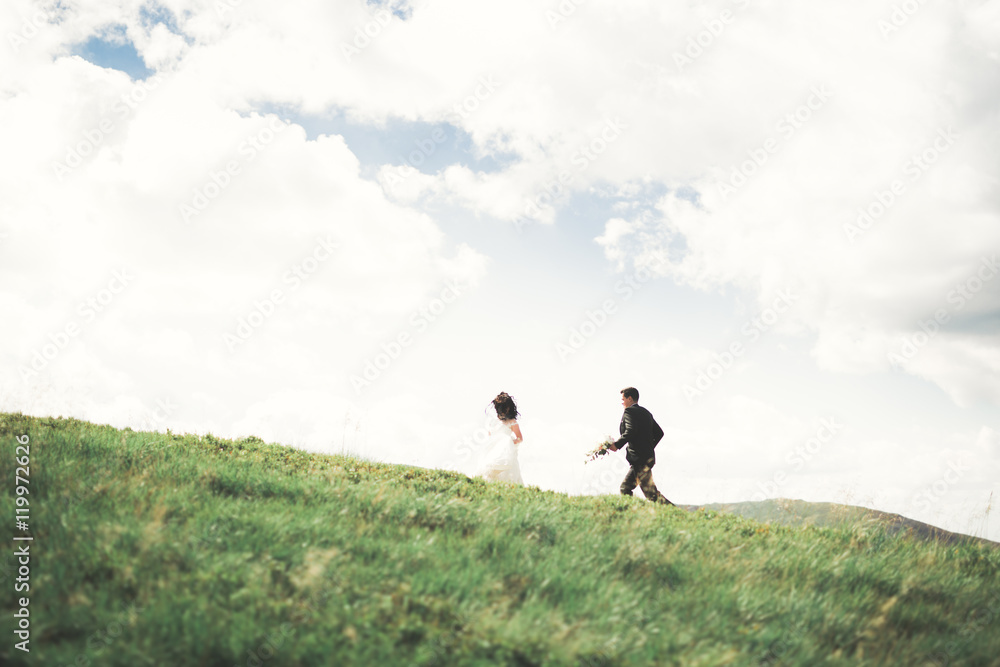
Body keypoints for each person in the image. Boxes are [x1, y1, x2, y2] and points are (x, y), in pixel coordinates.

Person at [608, 387, 673, 505]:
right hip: (647, 458)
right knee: (648, 493)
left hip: (639, 459)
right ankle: (674, 512)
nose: (622, 402)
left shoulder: (629, 412)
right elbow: (659, 433)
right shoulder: (646, 413)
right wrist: (648, 447)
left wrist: (616, 445)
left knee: (627, 489)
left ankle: (631, 512)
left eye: (623, 399)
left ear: (630, 398)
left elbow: (631, 431)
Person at [475, 392, 525, 484]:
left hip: (507, 451)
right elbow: (491, 437)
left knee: (508, 473)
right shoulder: (493, 422)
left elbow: (519, 438)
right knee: (489, 469)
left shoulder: (512, 422)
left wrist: (509, 442)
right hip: (494, 450)